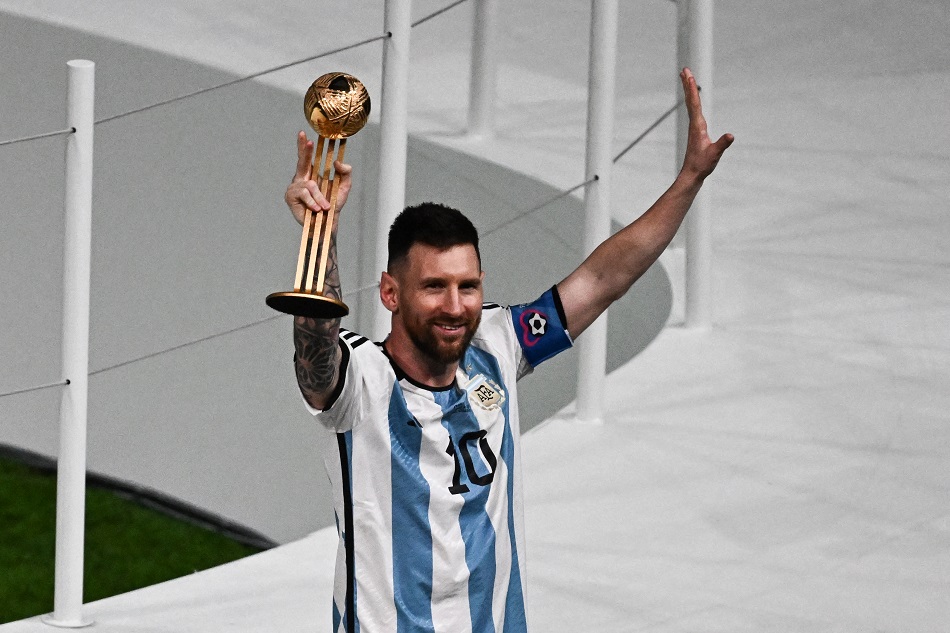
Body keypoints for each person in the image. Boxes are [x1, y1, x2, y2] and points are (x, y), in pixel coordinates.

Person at [283, 68, 732, 633]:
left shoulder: (498, 344)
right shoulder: (361, 383)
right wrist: (318, 232)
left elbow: (602, 278)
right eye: (433, 287)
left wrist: (689, 179)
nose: (455, 305)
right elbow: (317, 349)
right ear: (390, 293)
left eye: (467, 286)